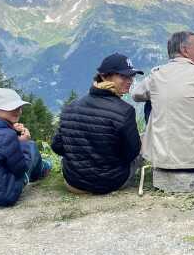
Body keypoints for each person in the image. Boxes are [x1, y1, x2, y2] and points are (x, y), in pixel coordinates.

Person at [133, 31, 194, 175]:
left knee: (150, 102)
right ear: (184, 50)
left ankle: (161, 147)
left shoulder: (157, 75)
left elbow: (136, 94)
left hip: (163, 161)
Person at [52, 53, 143, 194]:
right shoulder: (125, 111)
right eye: (123, 76)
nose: (130, 80)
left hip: (74, 183)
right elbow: (131, 153)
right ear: (104, 76)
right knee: (139, 153)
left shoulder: (70, 107)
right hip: (110, 182)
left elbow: (57, 147)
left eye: (131, 76)